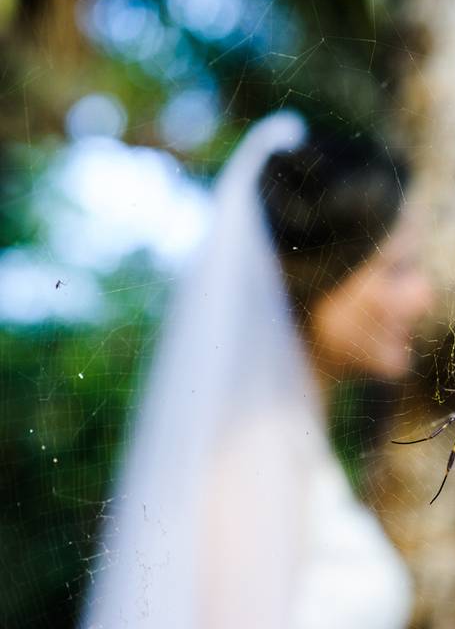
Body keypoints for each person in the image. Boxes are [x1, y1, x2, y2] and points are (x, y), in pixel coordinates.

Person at [82, 112, 432, 628]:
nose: (421, 298)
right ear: (321, 272)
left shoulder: (290, 444)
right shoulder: (253, 455)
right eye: (395, 270)